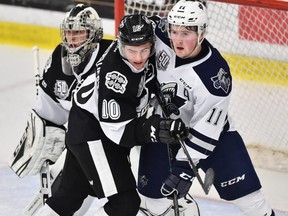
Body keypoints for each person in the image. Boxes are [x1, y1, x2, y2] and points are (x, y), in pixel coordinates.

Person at [35, 14, 188, 216]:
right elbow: (119, 132)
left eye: (144, 50)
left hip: (83, 123)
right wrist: (155, 128)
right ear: (121, 45)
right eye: (132, 51)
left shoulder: (147, 34)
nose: (138, 58)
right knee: (125, 204)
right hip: (94, 133)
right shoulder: (116, 78)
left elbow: (161, 24)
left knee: (68, 197)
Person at [137, 1, 276, 216]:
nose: (178, 40)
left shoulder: (214, 76)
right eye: (174, 31)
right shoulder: (160, 35)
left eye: (185, 33)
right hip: (166, 128)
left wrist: (184, 168)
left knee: (252, 203)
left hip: (214, 138)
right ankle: (184, 209)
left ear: (201, 33)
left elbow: (207, 129)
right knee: (151, 200)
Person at [9, 4, 112, 215]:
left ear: (94, 34)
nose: (72, 39)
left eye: (79, 32)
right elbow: (49, 111)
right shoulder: (58, 58)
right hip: (83, 141)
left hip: (116, 140)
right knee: (69, 195)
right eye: (69, 32)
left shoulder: (111, 56)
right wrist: (41, 136)